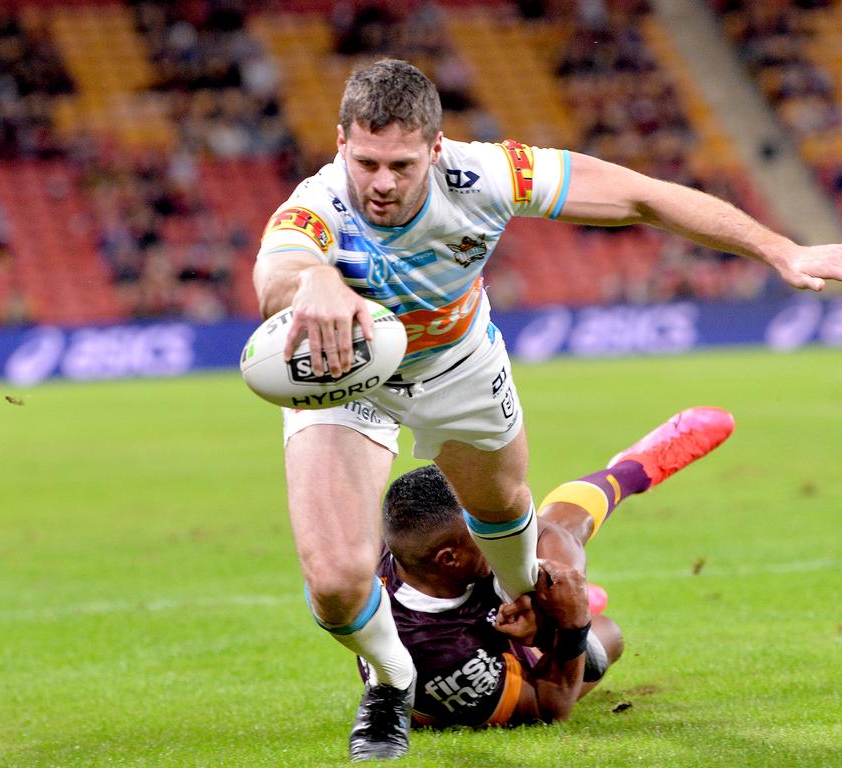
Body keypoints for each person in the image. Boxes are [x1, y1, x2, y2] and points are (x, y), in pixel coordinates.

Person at [251, 58, 842, 760]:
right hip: (347, 379)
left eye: (401, 165)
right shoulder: (318, 205)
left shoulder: (489, 175)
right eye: (367, 162)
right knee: (336, 584)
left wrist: (779, 249)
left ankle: (533, 605)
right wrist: (313, 278)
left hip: (455, 363)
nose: (382, 183)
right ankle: (391, 683)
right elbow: (275, 272)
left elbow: (642, 198)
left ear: (436, 150)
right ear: (341, 142)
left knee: (504, 516)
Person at [374, 406, 734, 728]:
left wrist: (558, 580)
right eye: (477, 530)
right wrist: (573, 623)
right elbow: (550, 706)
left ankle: (632, 469)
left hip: (472, 590)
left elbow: (549, 532)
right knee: (608, 636)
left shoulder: (403, 551)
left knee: (548, 531)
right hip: (471, 665)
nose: (486, 530)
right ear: (448, 558)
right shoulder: (437, 655)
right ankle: (566, 611)